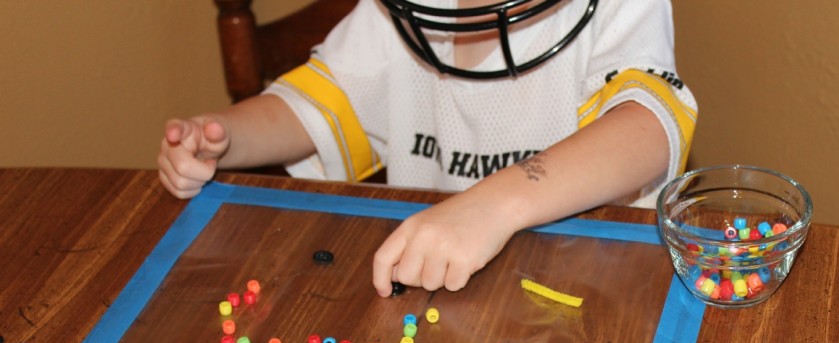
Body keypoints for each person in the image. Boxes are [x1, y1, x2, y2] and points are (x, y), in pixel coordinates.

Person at [158, 0, 697, 296]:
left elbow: (648, 131)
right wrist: (223, 138)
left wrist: (494, 203)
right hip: (438, 293)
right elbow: (319, 104)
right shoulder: (398, 11)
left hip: (591, 296)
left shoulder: (619, 6)